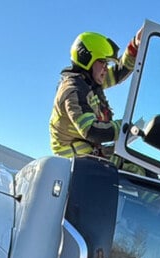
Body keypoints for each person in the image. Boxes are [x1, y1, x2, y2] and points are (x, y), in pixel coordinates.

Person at [49, 29, 142, 160]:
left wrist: (135, 46)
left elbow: (118, 72)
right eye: (102, 62)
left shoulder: (89, 82)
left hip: (91, 153)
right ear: (86, 59)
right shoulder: (73, 90)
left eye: (107, 63)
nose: (106, 68)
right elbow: (91, 130)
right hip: (75, 163)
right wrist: (123, 127)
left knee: (141, 169)